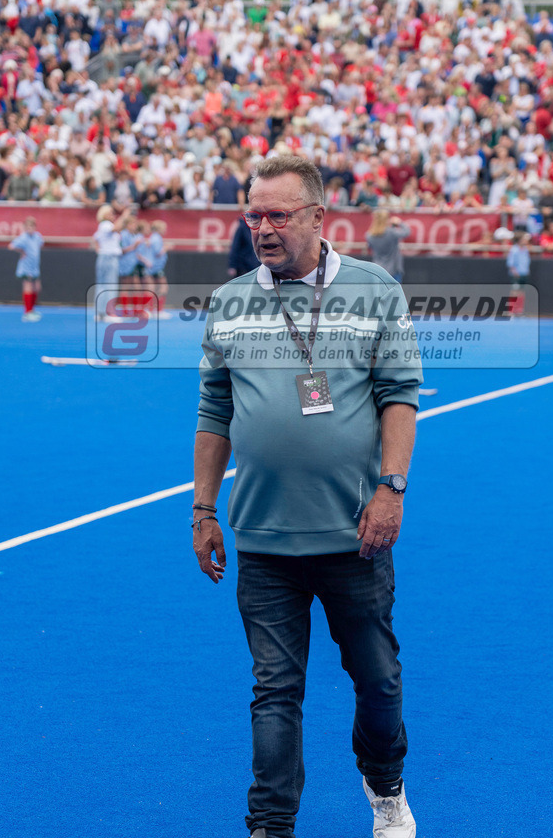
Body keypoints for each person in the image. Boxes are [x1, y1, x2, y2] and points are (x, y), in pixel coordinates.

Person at [193, 154, 422, 838]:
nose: (261, 228)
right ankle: (270, 827)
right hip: (262, 538)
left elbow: (398, 396)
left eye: (276, 215)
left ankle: (385, 790)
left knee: (376, 681)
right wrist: (204, 509)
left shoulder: (374, 289)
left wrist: (390, 488)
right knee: (274, 692)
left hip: (355, 533)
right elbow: (213, 409)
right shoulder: (229, 301)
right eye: (252, 215)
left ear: (318, 218)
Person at [92, 204, 126, 321]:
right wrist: (125, 215)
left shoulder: (101, 226)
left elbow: (95, 238)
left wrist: (99, 249)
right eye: (111, 212)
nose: (113, 215)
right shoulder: (106, 224)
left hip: (103, 256)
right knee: (110, 285)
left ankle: (100, 313)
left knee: (102, 285)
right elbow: (116, 228)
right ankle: (109, 313)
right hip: (109, 257)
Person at [9, 216, 44, 321]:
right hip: (26, 267)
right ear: (24, 228)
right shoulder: (23, 238)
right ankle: (27, 312)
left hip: (35, 267)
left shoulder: (38, 237)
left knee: (36, 288)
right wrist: (22, 251)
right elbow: (11, 246)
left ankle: (32, 310)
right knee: (28, 286)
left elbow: (40, 245)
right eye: (27, 227)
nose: (30, 229)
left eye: (32, 226)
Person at [366, 209, 411, 283]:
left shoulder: (369, 235)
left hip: (378, 269)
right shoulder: (391, 232)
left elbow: (370, 247)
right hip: (394, 270)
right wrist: (400, 223)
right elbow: (406, 232)